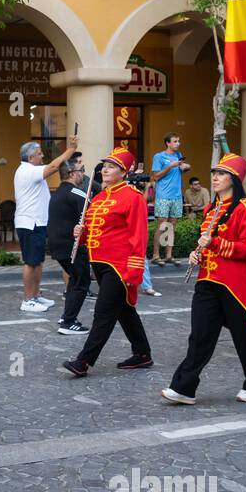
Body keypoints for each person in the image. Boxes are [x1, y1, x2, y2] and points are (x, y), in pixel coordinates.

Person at [162, 153, 246, 405]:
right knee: (200, 335)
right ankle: (184, 387)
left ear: (234, 179)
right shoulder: (212, 207)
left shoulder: (244, 208)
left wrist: (216, 243)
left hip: (235, 283)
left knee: (244, 336)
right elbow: (207, 243)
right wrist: (197, 253)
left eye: (221, 174)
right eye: (215, 173)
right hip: (208, 279)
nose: (215, 178)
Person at [62, 147, 153, 377]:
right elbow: (93, 233)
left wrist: (135, 270)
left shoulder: (133, 198)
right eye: (104, 166)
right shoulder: (100, 197)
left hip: (119, 265)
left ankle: (84, 361)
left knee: (103, 312)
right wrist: (80, 233)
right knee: (123, 310)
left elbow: (139, 236)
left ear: (123, 172)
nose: (105, 170)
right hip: (99, 263)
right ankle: (143, 354)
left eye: (111, 166)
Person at [14, 136, 79, 313]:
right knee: (31, 262)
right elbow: (53, 167)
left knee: (38, 261)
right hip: (30, 223)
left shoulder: (30, 169)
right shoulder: (27, 170)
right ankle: (28, 300)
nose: (42, 156)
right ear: (30, 158)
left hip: (37, 223)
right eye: (39, 154)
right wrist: (70, 149)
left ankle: (35, 296)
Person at [47, 155, 92, 336]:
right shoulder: (77, 193)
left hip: (58, 244)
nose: (83, 174)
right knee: (82, 281)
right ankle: (68, 321)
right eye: (81, 171)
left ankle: (66, 316)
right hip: (72, 245)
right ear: (72, 174)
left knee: (75, 280)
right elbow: (91, 216)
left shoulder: (58, 192)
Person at [150, 133, 190, 266]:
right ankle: (156, 255)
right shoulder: (159, 156)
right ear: (168, 143)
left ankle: (168, 255)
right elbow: (155, 177)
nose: (178, 143)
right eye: (175, 141)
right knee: (162, 225)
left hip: (176, 195)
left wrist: (185, 167)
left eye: (179, 141)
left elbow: (181, 170)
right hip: (163, 195)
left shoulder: (179, 155)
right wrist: (169, 166)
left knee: (171, 226)